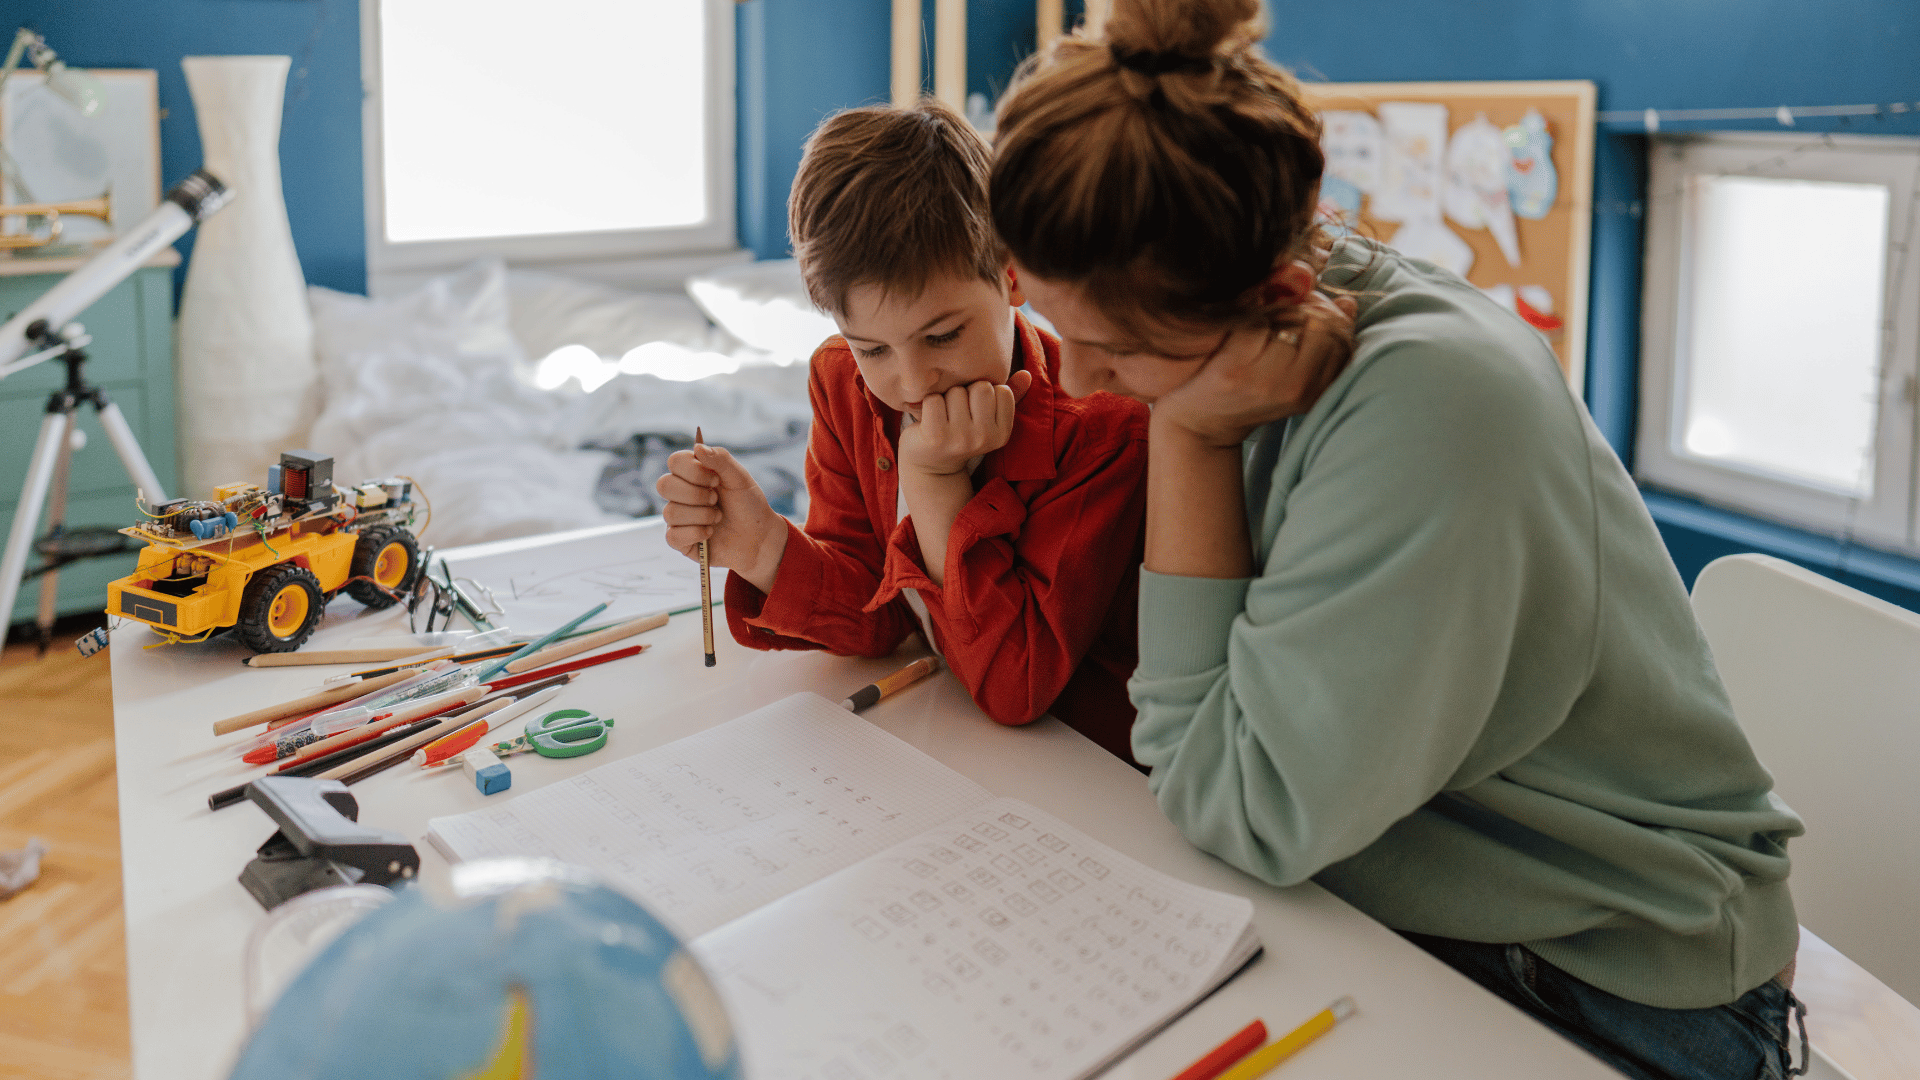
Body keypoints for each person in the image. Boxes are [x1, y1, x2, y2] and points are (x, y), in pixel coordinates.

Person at [988, 2, 1809, 1078]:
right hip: (1404, 890)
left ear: (1277, 291)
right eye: (1052, 326)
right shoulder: (1256, 329)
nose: (1084, 381)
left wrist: (1183, 431)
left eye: (1117, 352)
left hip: (1608, 971)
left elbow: (1234, 801)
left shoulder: (1427, 411)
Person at [656, 99, 1150, 763]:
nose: (914, 383)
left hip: (1087, 778)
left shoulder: (1104, 433)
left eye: (942, 335)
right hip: (942, 746)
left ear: (1011, 273)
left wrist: (936, 482)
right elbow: (878, 608)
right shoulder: (843, 383)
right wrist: (764, 546)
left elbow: (1016, 688)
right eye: (872, 348)